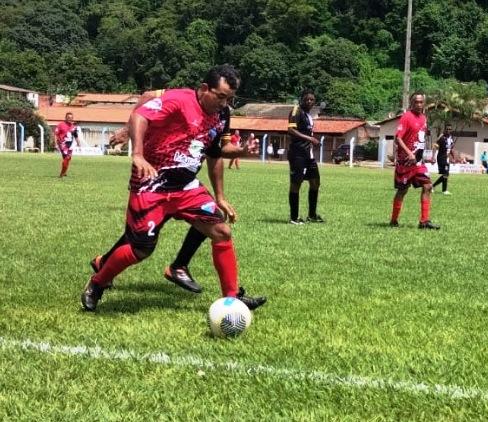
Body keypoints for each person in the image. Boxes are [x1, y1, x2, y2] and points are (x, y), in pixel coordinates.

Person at [81, 64, 267, 312]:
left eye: (230, 99)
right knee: (140, 249)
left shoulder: (222, 114)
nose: (224, 104)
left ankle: (231, 298)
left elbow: (215, 152)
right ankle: (98, 283)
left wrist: (241, 152)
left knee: (221, 231)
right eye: (221, 97)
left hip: (186, 187)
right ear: (204, 89)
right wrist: (137, 153)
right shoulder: (178, 100)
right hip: (152, 183)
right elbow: (140, 115)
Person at [389, 91, 439, 230]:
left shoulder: (424, 118)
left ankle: (424, 221)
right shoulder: (406, 117)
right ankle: (394, 220)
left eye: (421, 102)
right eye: (416, 102)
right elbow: (398, 138)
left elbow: (420, 140)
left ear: (424, 103)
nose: (418, 104)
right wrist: (409, 153)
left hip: (418, 163)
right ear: (411, 103)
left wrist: (425, 157)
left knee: (428, 186)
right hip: (405, 162)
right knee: (402, 191)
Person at [287, 88, 324, 225]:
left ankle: (312, 215)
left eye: (312, 99)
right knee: (296, 184)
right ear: (301, 99)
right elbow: (290, 130)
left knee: (315, 182)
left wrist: (314, 142)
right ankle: (294, 217)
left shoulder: (309, 115)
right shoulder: (296, 110)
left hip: (309, 155)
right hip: (298, 154)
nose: (309, 101)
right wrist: (310, 139)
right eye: (307, 99)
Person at [55, 112, 80, 177]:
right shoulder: (60, 125)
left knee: (67, 159)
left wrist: (78, 143)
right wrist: (55, 143)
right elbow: (56, 134)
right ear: (65, 118)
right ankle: (61, 174)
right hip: (62, 144)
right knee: (67, 157)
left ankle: (64, 171)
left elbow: (76, 136)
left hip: (70, 145)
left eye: (71, 118)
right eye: (68, 118)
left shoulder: (74, 127)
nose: (70, 119)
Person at [432, 124, 454, 195]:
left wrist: (453, 157)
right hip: (441, 158)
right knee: (446, 174)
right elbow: (435, 146)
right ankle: (435, 187)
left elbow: (450, 148)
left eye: (449, 129)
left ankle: (443, 190)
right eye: (447, 129)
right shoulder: (442, 138)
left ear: (451, 130)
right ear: (445, 130)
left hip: (446, 159)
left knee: (446, 174)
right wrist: (433, 157)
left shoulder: (450, 138)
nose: (448, 130)